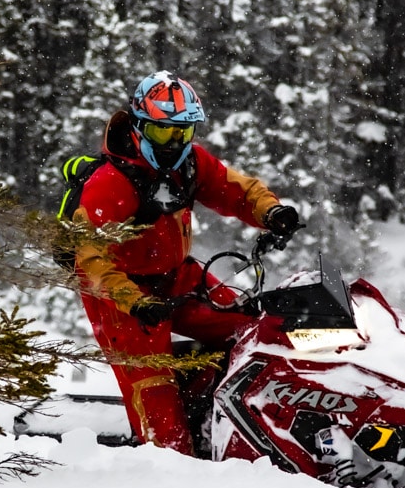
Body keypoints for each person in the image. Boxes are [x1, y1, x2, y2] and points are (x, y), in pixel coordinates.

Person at [70, 71, 300, 455]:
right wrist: (134, 301)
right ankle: (173, 473)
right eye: (164, 133)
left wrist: (271, 212)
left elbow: (235, 188)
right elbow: (90, 257)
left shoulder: (189, 163)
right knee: (160, 414)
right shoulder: (111, 184)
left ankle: (214, 403)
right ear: (140, 127)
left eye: (183, 132)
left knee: (253, 331)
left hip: (178, 277)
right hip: (123, 298)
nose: (174, 143)